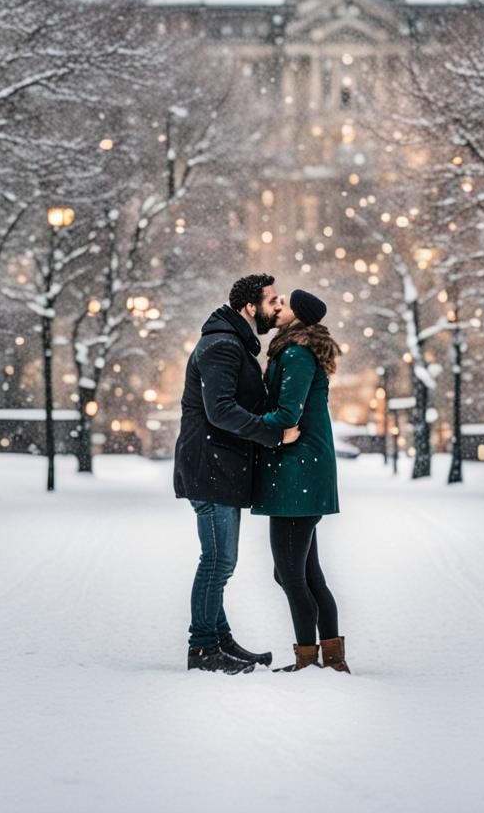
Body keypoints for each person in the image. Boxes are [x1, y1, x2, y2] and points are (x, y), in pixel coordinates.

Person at [173, 274, 301, 674]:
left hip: (219, 467)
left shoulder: (232, 343)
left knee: (219, 560)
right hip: (209, 467)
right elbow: (220, 411)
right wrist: (275, 435)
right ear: (251, 307)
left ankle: (220, 641)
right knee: (217, 561)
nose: (276, 307)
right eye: (271, 301)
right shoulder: (222, 346)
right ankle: (202, 649)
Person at [251, 289, 350, 673]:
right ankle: (332, 659)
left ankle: (309, 660)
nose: (277, 309)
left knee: (290, 574)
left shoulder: (295, 353)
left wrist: (250, 428)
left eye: (284, 304)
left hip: (298, 472)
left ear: (299, 316)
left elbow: (288, 411)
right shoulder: (296, 350)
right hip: (302, 471)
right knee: (306, 574)